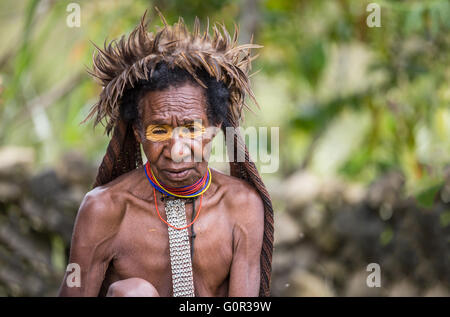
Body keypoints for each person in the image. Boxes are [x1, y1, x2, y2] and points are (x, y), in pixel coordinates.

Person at [58, 11, 273, 297]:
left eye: (191, 129)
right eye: (159, 131)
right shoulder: (105, 209)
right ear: (138, 132)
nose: (177, 150)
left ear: (215, 127)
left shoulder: (242, 205)